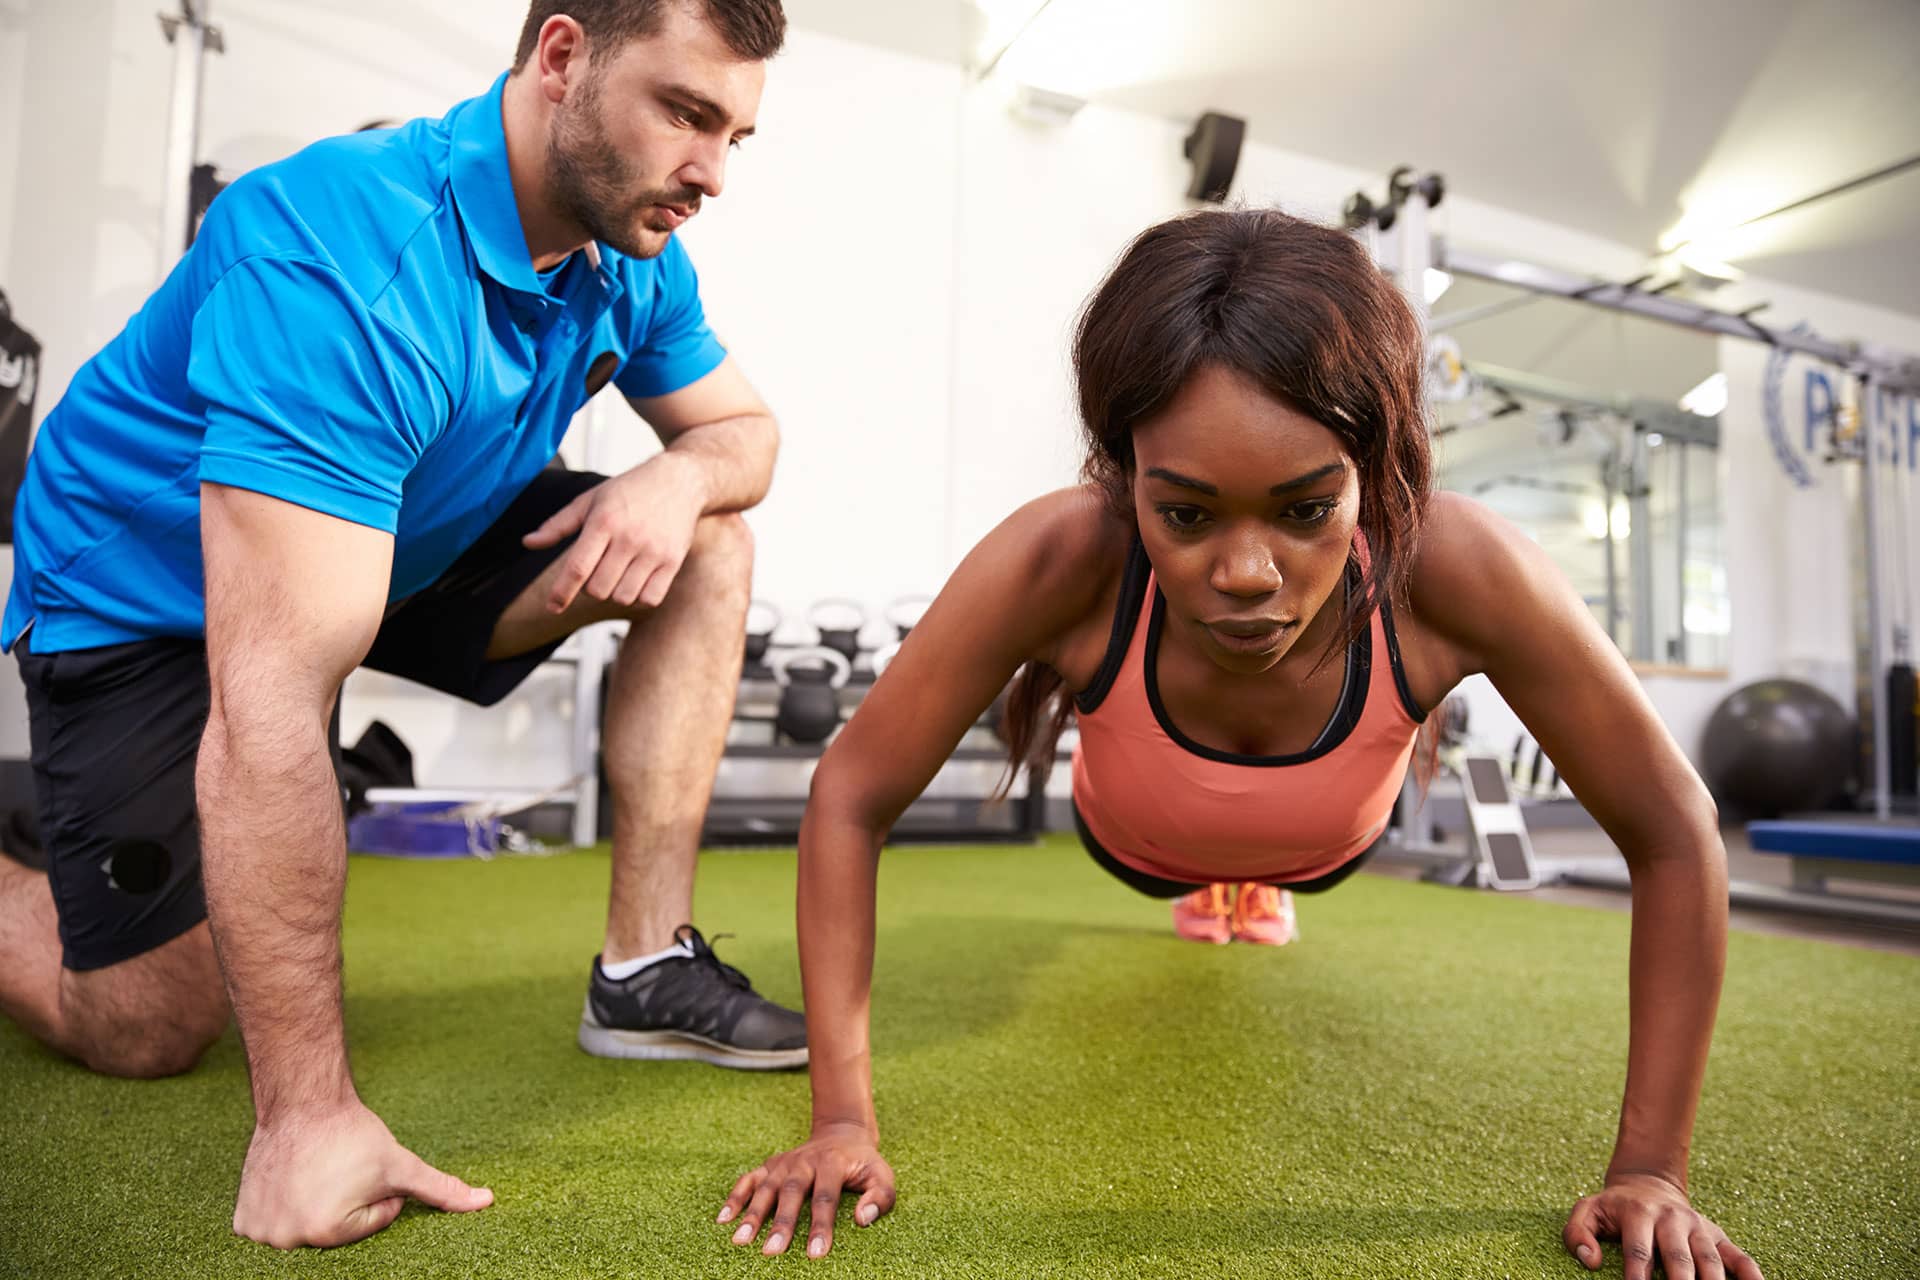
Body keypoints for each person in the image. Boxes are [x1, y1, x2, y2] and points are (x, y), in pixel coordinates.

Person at [717, 208, 1766, 1280]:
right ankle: (1215, 885)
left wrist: (1653, 1166)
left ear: (1374, 471)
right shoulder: (1064, 553)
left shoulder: (1458, 567)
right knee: (1188, 864)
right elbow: (851, 792)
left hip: (1326, 839)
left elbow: (1675, 830)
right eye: (1187, 516)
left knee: (1276, 863)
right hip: (1135, 832)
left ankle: (1256, 886)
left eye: (1309, 509)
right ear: (1126, 474)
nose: (1249, 574)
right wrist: (842, 1119)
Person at [0, 0, 803, 1251]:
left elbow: (743, 431)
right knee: (150, 1028)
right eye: (686, 114)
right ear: (560, 59)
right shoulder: (342, 256)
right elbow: (271, 699)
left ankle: (643, 968)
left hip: (417, 521)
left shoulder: (631, 248)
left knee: (708, 543)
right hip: (147, 591)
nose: (708, 172)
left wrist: (680, 476)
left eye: (734, 137)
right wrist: (305, 1116)